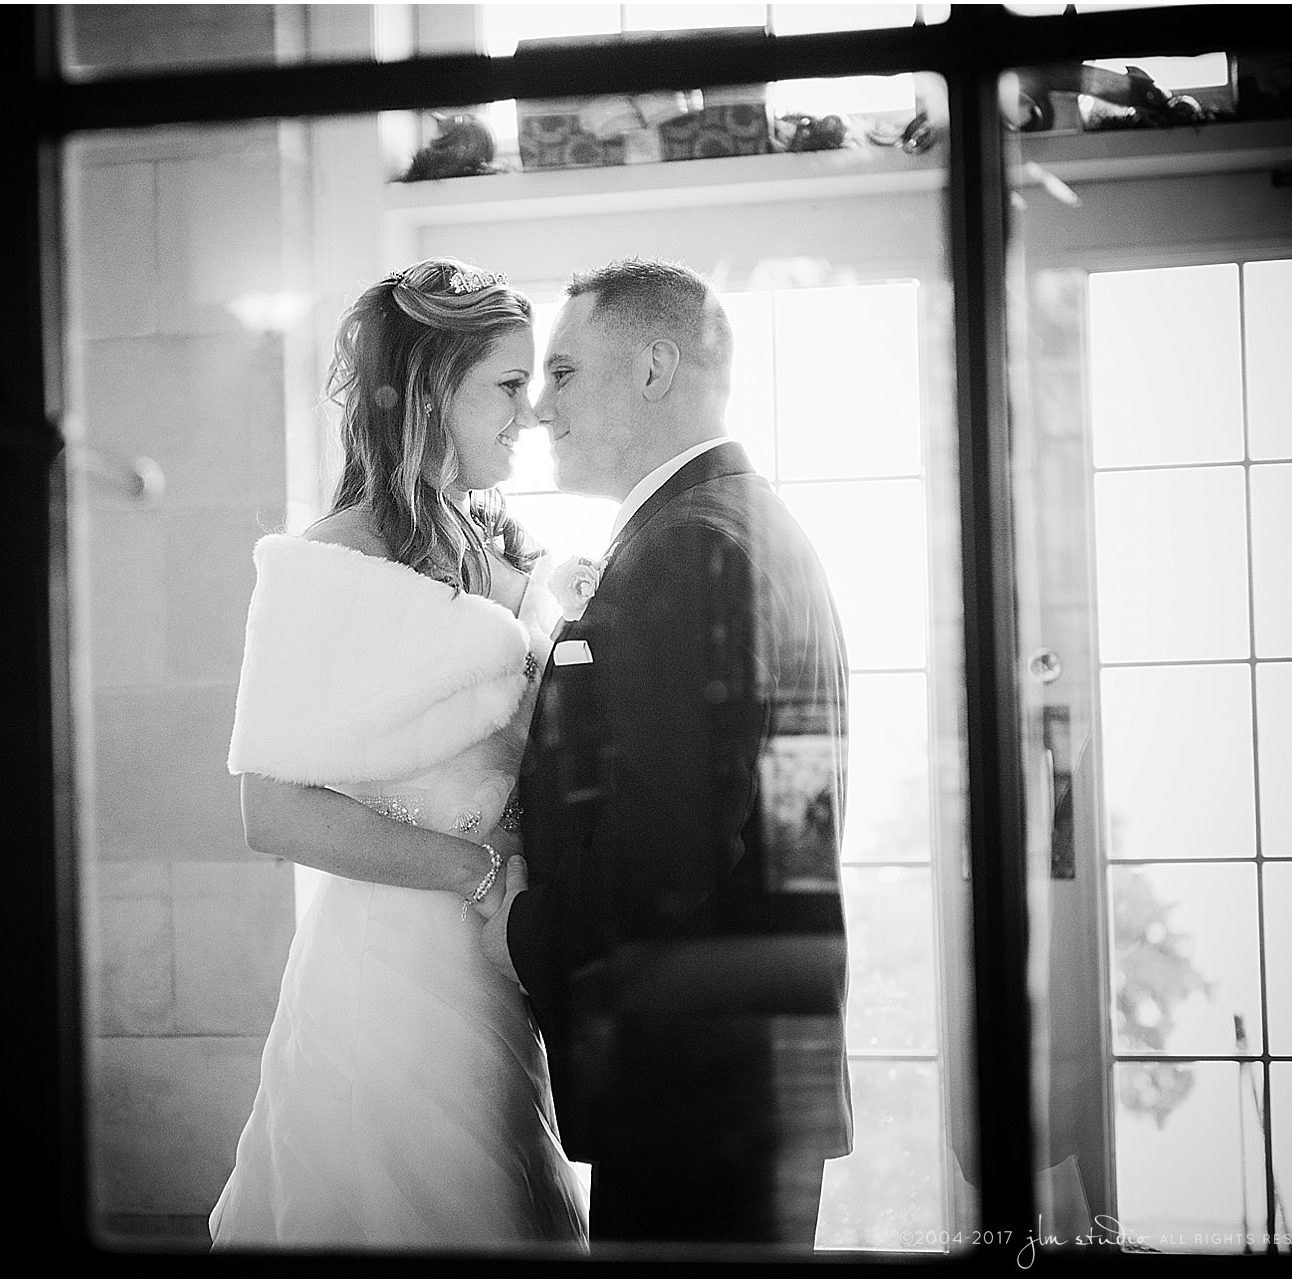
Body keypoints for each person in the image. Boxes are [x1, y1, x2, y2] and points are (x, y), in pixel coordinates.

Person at [209, 257, 588, 1250]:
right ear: (429, 392)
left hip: (502, 970)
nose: (531, 412)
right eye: (508, 384)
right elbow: (270, 813)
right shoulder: (323, 564)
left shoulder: (493, 541)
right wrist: (482, 874)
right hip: (390, 979)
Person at [480, 258, 855, 1247]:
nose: (540, 409)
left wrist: (523, 928)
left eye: (563, 373)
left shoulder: (689, 546)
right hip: (736, 1075)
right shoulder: (738, 520)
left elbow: (669, 841)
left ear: (655, 368)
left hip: (696, 1085)